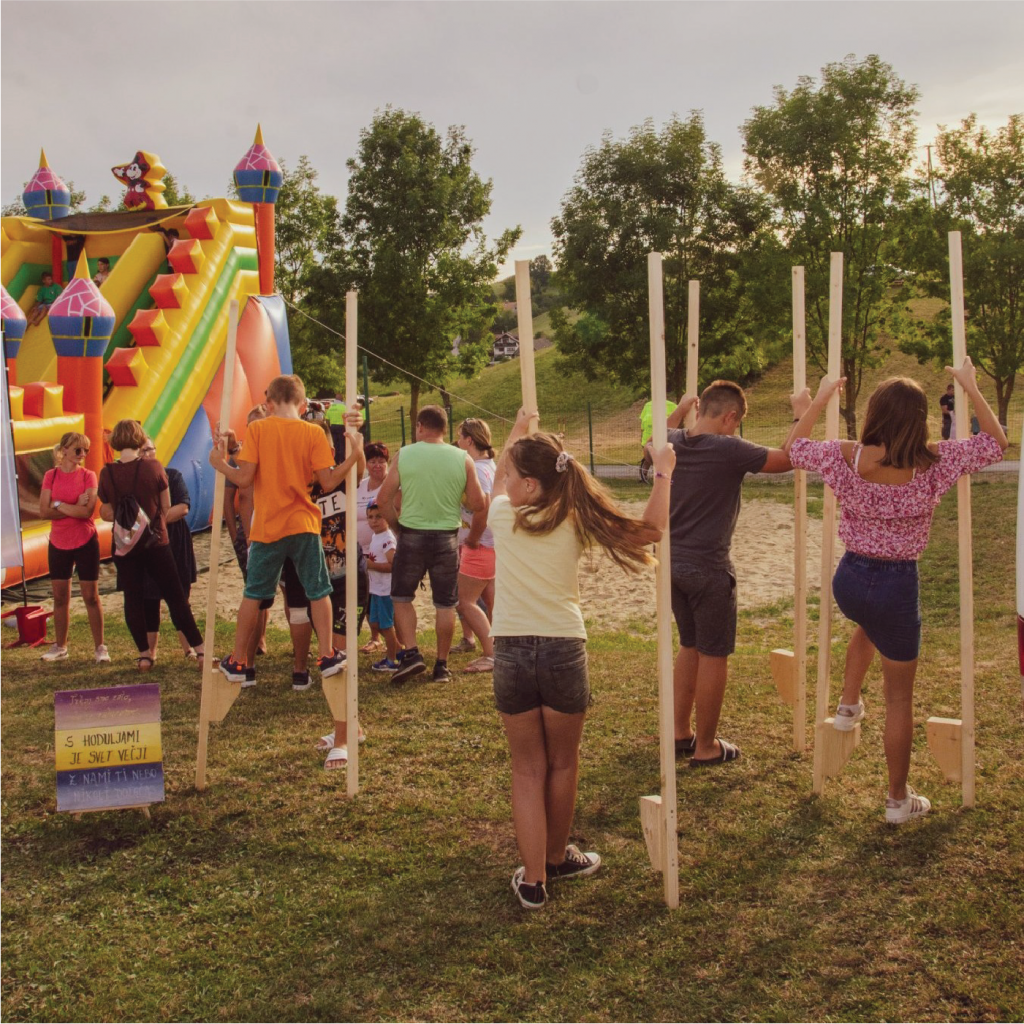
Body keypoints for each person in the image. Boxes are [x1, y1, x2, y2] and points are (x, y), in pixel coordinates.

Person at [786, 360, 1006, 824]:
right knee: (898, 699)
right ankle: (897, 800)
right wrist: (969, 386)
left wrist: (820, 399)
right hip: (897, 583)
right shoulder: (934, 462)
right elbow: (997, 443)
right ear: (920, 418)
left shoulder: (845, 455)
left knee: (869, 624)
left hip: (850, 579)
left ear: (874, 414)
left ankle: (847, 707)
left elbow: (793, 447)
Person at [490, 409, 675, 909]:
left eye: (510, 475)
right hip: (562, 649)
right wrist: (663, 473)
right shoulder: (575, 517)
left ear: (528, 485)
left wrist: (518, 428)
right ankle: (553, 857)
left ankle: (534, 879)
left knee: (528, 767)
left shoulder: (501, 515)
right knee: (562, 762)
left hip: (509, 649)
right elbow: (651, 531)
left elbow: (495, 485)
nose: (502, 482)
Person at [663, 381, 796, 768]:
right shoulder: (727, 448)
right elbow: (788, 458)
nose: (735, 431)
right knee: (714, 654)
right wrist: (803, 412)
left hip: (671, 563)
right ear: (730, 417)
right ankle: (706, 745)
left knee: (689, 645)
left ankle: (679, 730)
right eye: (735, 424)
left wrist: (679, 410)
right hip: (708, 567)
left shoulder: (670, 440)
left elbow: (647, 441)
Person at [208, 374, 364, 687]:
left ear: (269, 402)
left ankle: (238, 660)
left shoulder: (258, 429)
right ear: (302, 403)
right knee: (318, 591)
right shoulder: (313, 432)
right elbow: (330, 481)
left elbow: (244, 479)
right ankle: (327, 653)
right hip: (304, 524)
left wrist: (219, 462)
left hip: (268, 528)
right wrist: (355, 453)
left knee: (254, 595)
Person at [375, 405, 487, 685]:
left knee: (401, 597)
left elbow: (383, 499)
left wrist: (397, 527)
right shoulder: (462, 458)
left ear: (421, 426)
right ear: (445, 428)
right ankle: (441, 665)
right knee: (445, 603)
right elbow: (478, 503)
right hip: (447, 537)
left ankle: (412, 653)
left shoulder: (406, 454)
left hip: (412, 532)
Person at [98, 419, 207, 670]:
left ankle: (145, 655)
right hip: (156, 541)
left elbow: (107, 510)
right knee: (176, 597)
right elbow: (165, 507)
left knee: (133, 599)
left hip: (125, 546)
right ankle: (200, 651)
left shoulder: (107, 473)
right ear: (138, 439)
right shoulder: (154, 468)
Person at [37, 432, 107, 663]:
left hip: (85, 540)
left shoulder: (88, 476)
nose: (83, 455)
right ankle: (60, 646)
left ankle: (100, 647)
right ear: (64, 450)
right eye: (78, 450)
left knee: (91, 596)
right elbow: (44, 511)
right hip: (58, 542)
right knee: (59, 597)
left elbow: (87, 512)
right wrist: (70, 505)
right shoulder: (51, 475)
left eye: (86, 450)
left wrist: (59, 505)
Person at [139, 437, 198, 661]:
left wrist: (154, 522)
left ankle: (190, 648)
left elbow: (183, 507)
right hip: (148, 545)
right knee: (149, 599)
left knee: (180, 597)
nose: (145, 455)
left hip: (174, 542)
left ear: (155, 451)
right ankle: (150, 653)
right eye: (141, 451)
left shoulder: (172, 475)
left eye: (148, 450)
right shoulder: (135, 481)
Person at [454, 418, 498, 673]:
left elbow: (483, 507)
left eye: (461, 438)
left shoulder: (479, 469)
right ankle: (498, 648)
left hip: (480, 544)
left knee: (464, 601)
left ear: (469, 440)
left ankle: (491, 653)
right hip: (489, 543)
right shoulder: (488, 465)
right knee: (490, 600)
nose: (458, 442)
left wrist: (472, 539)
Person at [355, 442, 390, 653]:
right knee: (365, 592)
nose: (377, 465)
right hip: (360, 549)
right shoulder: (360, 485)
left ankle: (391, 636)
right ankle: (375, 636)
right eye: (373, 461)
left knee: (382, 593)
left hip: (382, 547)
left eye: (382, 461)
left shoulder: (389, 486)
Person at [365, 503, 399, 671]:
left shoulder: (387, 539)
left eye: (379, 516)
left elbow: (394, 565)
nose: (374, 521)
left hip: (385, 590)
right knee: (376, 623)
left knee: (386, 625)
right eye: (370, 517)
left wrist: (370, 565)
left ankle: (392, 659)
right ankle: (398, 649)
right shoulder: (375, 537)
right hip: (376, 588)